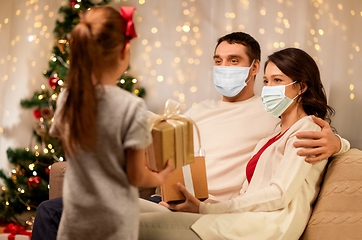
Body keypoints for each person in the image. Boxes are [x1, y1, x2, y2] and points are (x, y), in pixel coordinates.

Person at [31, 32, 349, 239]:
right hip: (173, 200)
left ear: (252, 68)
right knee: (56, 210)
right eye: (218, 61)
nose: (224, 68)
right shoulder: (198, 110)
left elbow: (309, 136)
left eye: (234, 61)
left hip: (216, 210)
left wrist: (337, 143)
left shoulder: (271, 114)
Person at [139, 47, 340, 240]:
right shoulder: (270, 136)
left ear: (302, 86)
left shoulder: (309, 130)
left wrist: (339, 144)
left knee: (133, 224)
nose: (269, 88)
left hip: (262, 227)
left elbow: (279, 195)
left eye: (277, 80)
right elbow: (246, 194)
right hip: (234, 218)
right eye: (266, 81)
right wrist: (197, 204)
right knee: (124, 209)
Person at [32, 6, 173, 240]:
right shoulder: (131, 106)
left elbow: (63, 137)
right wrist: (160, 176)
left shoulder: (68, 97)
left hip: (74, 219)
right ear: (124, 51)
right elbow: (137, 176)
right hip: (114, 224)